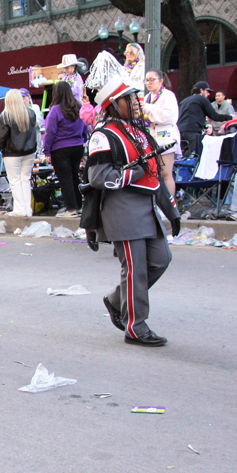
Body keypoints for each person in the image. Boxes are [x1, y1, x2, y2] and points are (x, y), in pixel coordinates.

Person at [85, 76, 180, 347]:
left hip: (147, 208)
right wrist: (133, 172)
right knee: (136, 269)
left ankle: (117, 301)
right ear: (115, 104)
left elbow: (155, 175)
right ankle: (135, 327)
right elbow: (99, 177)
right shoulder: (104, 135)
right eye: (130, 98)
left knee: (161, 259)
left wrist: (171, 210)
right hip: (122, 209)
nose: (137, 102)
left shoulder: (139, 131)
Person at [43, 81, 87, 217]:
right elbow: (85, 126)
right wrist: (82, 139)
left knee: (65, 178)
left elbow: (49, 132)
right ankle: (79, 206)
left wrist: (47, 150)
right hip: (78, 146)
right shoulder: (79, 107)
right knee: (75, 177)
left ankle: (71, 208)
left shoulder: (55, 110)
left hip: (60, 148)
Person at [0, 89, 37, 216]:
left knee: (14, 180)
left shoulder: (5, 116)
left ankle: (19, 210)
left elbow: (0, 136)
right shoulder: (31, 114)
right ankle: (27, 209)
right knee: (25, 179)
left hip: (12, 153)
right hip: (29, 151)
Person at [141, 70, 181, 195]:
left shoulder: (168, 95)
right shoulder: (147, 97)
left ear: (161, 80)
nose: (149, 83)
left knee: (165, 173)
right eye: (147, 80)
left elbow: (168, 116)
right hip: (150, 136)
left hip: (165, 136)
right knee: (153, 173)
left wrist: (148, 108)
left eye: (152, 79)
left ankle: (169, 206)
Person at [177, 81, 232, 157]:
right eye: (207, 91)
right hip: (192, 131)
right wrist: (231, 117)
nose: (209, 94)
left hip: (179, 131)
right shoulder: (202, 99)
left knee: (183, 156)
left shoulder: (184, 101)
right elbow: (214, 116)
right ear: (201, 90)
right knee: (197, 155)